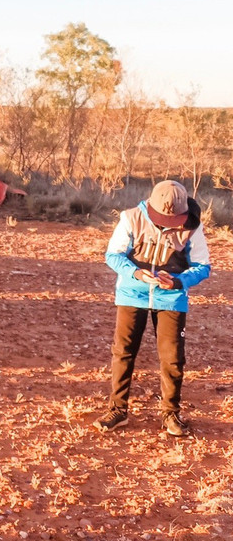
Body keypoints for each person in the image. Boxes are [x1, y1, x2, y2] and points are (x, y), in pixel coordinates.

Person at [93, 180, 210, 436]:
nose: (168, 222)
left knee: (172, 357)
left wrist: (179, 281)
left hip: (172, 298)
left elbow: (203, 266)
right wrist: (136, 273)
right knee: (123, 352)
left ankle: (171, 414)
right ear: (150, 205)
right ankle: (118, 410)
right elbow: (113, 255)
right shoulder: (131, 218)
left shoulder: (192, 226)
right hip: (132, 293)